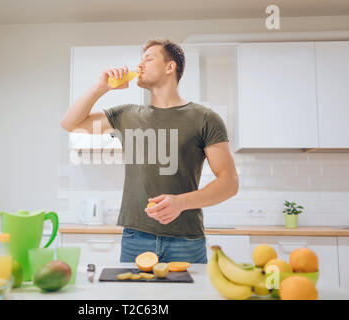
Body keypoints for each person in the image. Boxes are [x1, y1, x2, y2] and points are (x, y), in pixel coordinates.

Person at [60, 38, 239, 264]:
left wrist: (180, 203)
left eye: (149, 58)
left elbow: (230, 182)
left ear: (169, 67)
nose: (140, 65)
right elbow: (70, 122)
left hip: (186, 240)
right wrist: (102, 87)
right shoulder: (126, 114)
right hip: (135, 238)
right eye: (140, 60)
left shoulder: (205, 118)